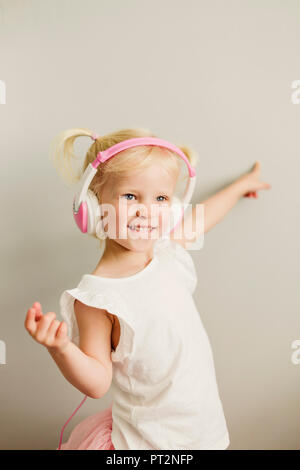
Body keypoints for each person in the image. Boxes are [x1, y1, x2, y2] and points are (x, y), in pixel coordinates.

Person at [24, 127, 271, 450]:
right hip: (149, 444)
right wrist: (61, 349)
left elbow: (203, 217)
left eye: (161, 198)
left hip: (204, 432)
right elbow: (98, 382)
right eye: (130, 196)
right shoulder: (98, 298)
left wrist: (239, 186)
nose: (147, 210)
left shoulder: (166, 252)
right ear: (93, 205)